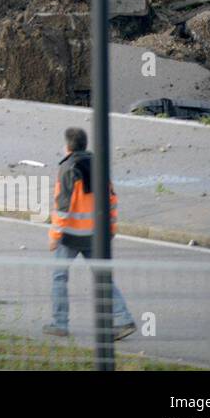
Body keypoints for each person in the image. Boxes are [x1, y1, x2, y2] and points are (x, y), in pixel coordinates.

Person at [44, 127, 137, 341]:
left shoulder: (68, 169)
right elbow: (112, 200)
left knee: (59, 277)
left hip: (71, 236)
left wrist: (54, 236)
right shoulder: (99, 166)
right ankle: (123, 319)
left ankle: (60, 324)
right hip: (95, 236)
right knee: (103, 277)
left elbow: (62, 208)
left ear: (67, 146)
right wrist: (110, 230)